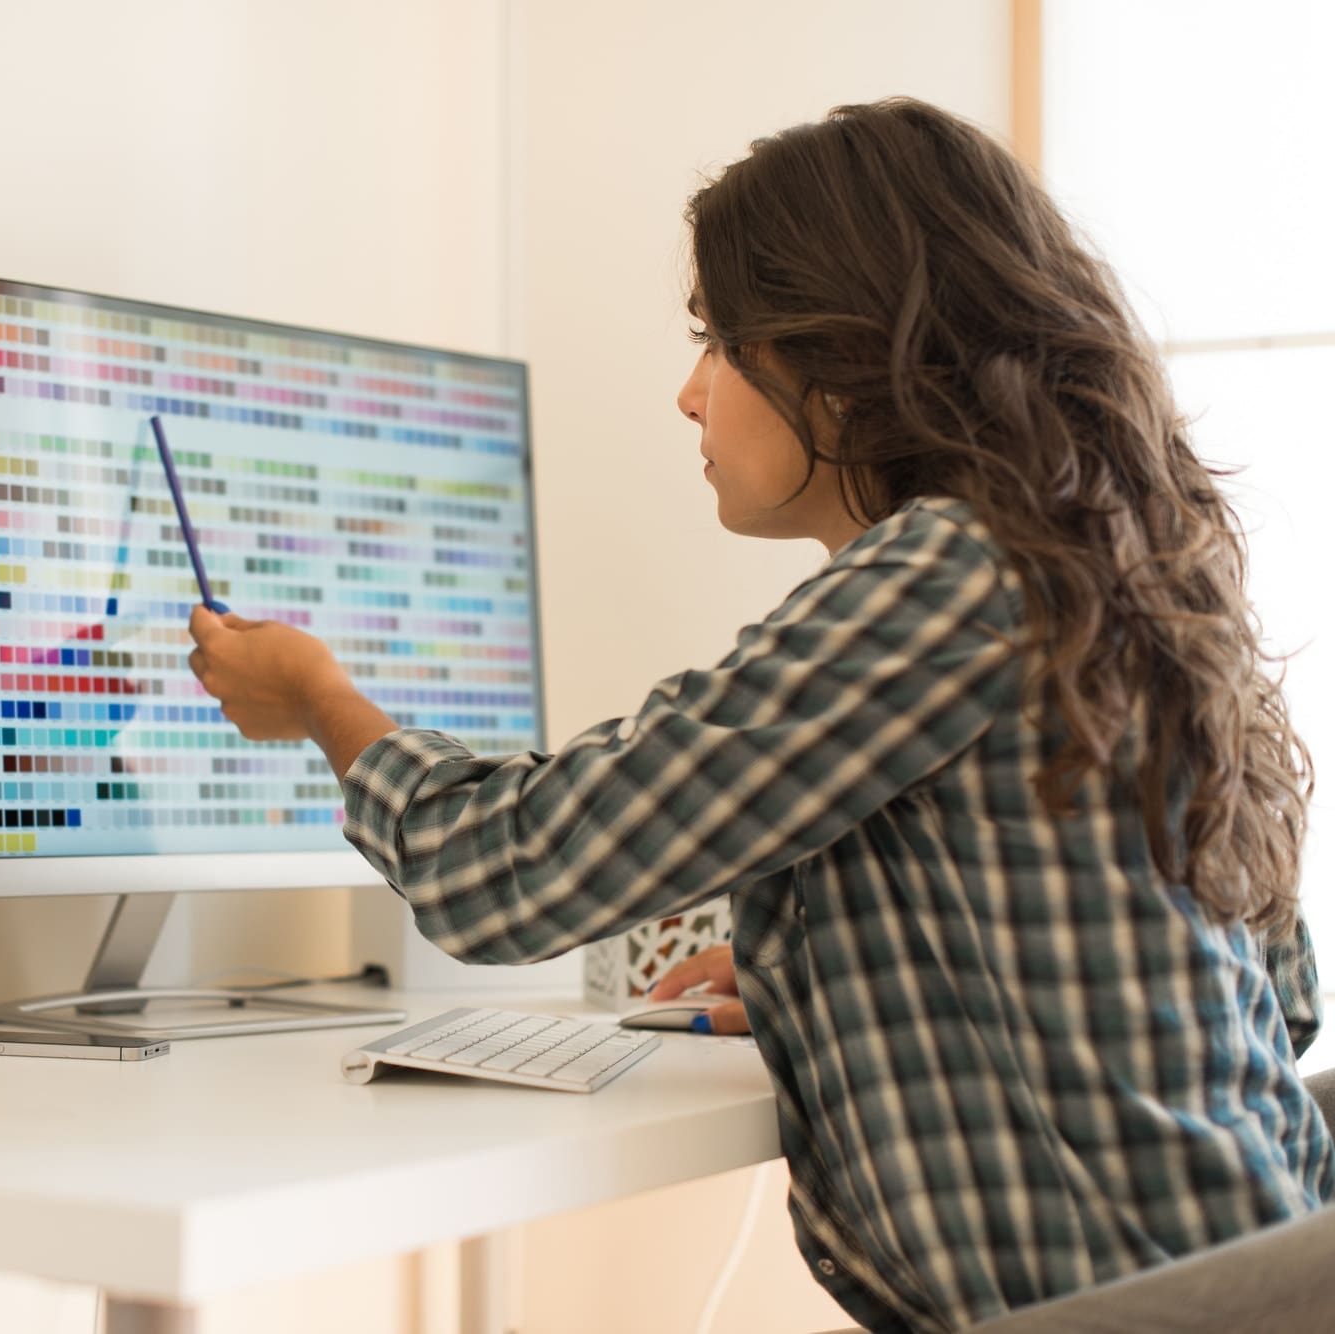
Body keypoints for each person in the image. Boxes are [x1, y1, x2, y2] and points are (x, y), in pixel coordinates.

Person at [182, 97, 1331, 1331]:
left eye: (721, 342)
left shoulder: (947, 576)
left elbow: (500, 869)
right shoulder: (1112, 570)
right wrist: (821, 968)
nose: (688, 393)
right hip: (1253, 1262)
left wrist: (319, 701)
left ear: (843, 360)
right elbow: (1277, 997)